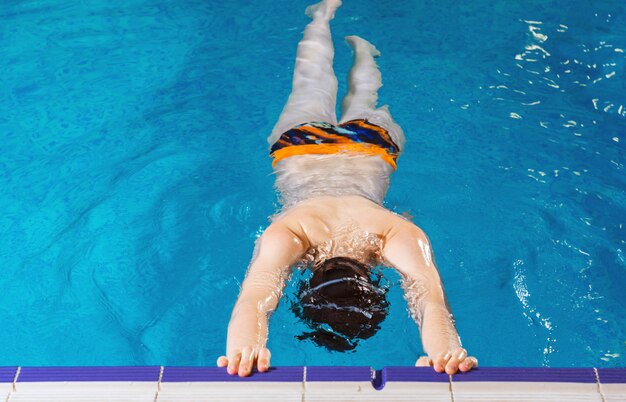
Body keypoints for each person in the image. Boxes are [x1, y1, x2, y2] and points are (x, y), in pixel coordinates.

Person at [217, 0, 477, 377]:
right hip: (301, 147)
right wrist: (246, 348)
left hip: (370, 147)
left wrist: (447, 351)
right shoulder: (292, 232)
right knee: (311, 79)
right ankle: (330, 26)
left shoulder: (391, 231)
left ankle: (352, 44)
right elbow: (256, 298)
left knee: (363, 96)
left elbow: (430, 298)